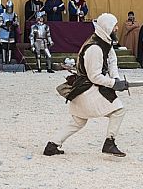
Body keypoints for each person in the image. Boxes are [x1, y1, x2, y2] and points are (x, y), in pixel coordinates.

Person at [43, 13, 129, 157]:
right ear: (108, 27)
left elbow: (112, 60)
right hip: (86, 89)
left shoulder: (105, 41)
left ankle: (52, 145)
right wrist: (113, 84)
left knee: (78, 121)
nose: (117, 28)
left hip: (88, 87)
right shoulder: (94, 47)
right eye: (114, 26)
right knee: (118, 110)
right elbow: (94, 76)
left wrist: (116, 78)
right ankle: (109, 142)